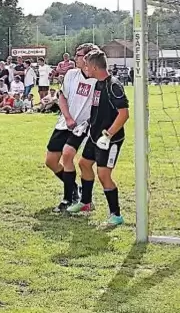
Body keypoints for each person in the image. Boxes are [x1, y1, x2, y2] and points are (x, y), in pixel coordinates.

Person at [67, 49, 129, 226]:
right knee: (84, 164)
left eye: (86, 65)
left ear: (94, 67)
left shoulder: (113, 85)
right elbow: (97, 110)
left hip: (110, 139)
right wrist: (87, 125)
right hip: (95, 135)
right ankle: (86, 203)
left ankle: (116, 215)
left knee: (103, 175)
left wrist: (108, 135)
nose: (84, 68)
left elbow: (123, 114)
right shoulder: (97, 84)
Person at [45, 44, 98, 213]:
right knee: (51, 161)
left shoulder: (98, 80)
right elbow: (62, 96)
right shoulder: (71, 74)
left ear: (88, 58)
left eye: (79, 55)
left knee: (67, 155)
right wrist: (67, 117)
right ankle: (74, 188)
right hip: (65, 123)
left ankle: (68, 198)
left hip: (81, 126)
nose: (75, 58)